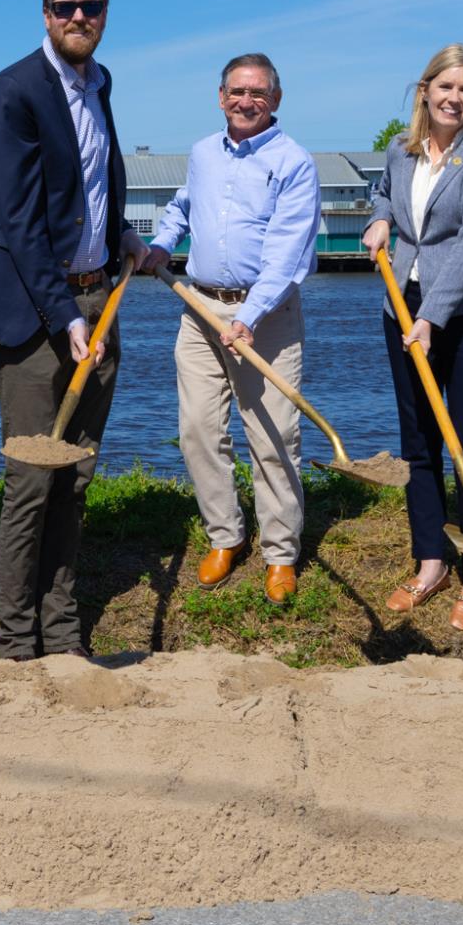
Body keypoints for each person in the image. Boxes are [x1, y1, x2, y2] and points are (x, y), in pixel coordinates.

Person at [0, 0, 148, 660]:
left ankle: (63, 634)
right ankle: (15, 646)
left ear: (104, 13)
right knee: (35, 478)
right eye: (65, 7)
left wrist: (123, 233)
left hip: (101, 293)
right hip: (37, 313)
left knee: (77, 475)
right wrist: (66, 316)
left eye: (90, 6)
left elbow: (94, 185)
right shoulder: (13, 92)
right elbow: (19, 220)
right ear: (44, 14)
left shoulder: (99, 83)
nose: (78, 17)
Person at [144, 54, 320, 604]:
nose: (247, 101)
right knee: (198, 429)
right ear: (221, 96)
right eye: (238, 91)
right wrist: (159, 244)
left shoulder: (294, 162)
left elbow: (289, 254)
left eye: (259, 93)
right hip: (197, 309)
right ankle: (226, 536)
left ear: (277, 99)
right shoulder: (202, 153)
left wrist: (248, 317)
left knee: (272, 436)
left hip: (265, 316)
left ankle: (280, 553)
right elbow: (181, 208)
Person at [362, 44, 463, 631]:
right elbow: (386, 196)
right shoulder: (400, 153)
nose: (455, 98)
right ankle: (431, 561)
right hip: (402, 306)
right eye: (445, 86)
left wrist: (434, 318)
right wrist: (379, 216)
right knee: (419, 438)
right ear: (424, 89)